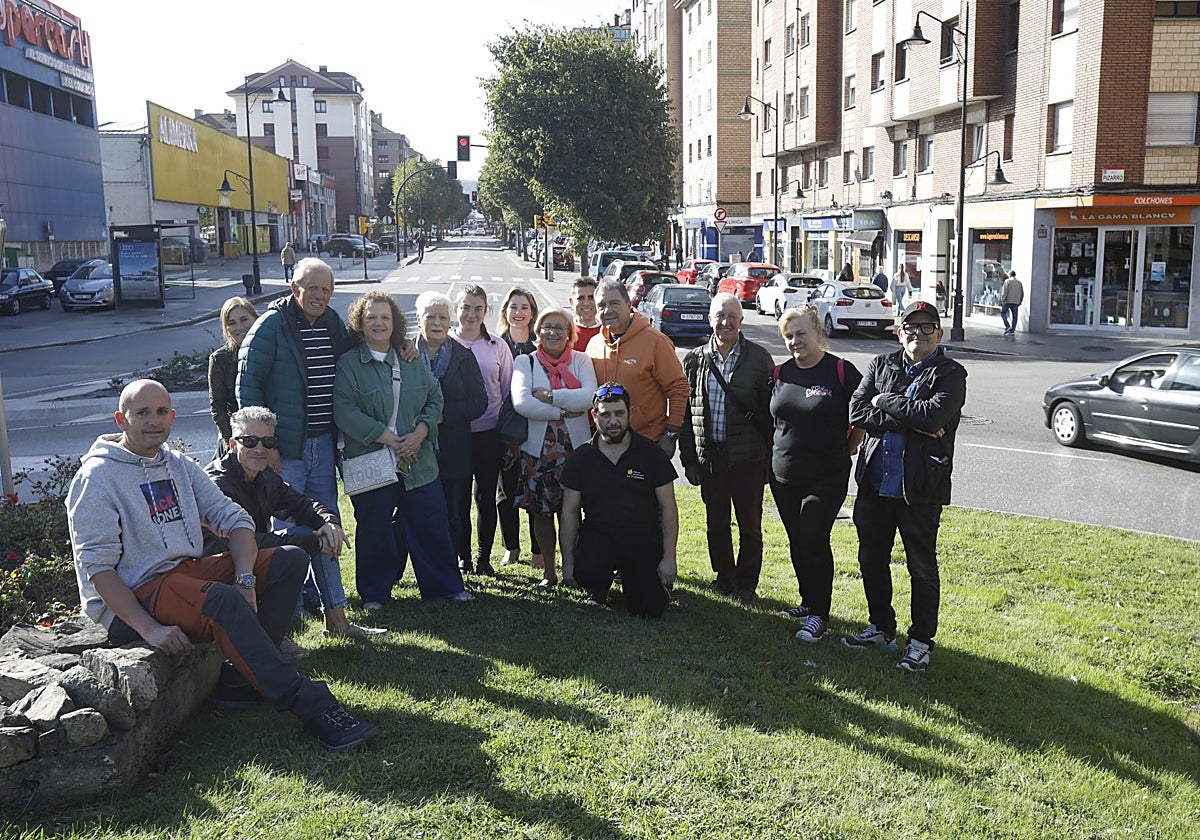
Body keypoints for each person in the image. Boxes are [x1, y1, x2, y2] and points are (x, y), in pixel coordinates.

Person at [66, 380, 377, 751]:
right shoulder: (97, 477)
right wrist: (149, 630)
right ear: (121, 420)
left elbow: (236, 520)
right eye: (142, 413)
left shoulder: (177, 464)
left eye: (161, 412)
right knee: (222, 600)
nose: (154, 421)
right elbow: (98, 570)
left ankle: (241, 683)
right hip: (135, 593)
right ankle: (312, 705)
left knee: (288, 560)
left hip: (182, 574)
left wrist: (245, 579)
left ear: (172, 416)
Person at [237, 258, 362, 637]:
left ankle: (336, 618)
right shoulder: (270, 326)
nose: (319, 296)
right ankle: (285, 625)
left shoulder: (331, 322)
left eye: (326, 290)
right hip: (284, 451)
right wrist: (266, 446)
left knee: (328, 525)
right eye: (312, 288)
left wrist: (401, 343)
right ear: (295, 289)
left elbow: (357, 351)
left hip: (322, 445)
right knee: (286, 535)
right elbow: (247, 386)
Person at [842, 301, 967, 672]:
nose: (918, 333)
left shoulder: (951, 374)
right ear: (900, 333)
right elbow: (857, 411)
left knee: (922, 568)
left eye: (927, 327)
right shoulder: (881, 364)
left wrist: (884, 401)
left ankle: (920, 642)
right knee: (871, 560)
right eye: (911, 327)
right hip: (875, 484)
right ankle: (881, 627)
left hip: (920, 489)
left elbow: (934, 416)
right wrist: (913, 418)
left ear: (939, 334)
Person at [334, 291, 472, 605]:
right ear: (360, 323)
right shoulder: (349, 364)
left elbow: (435, 398)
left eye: (385, 317)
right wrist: (387, 437)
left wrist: (421, 432)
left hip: (418, 461)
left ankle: (445, 587)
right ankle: (375, 593)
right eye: (371, 317)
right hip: (372, 459)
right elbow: (344, 410)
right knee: (375, 528)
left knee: (431, 523)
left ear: (395, 322)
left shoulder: (410, 358)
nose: (379, 323)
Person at [203, 406, 351, 655]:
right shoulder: (218, 483)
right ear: (233, 444)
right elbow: (245, 542)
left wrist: (329, 522)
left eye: (268, 442)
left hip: (248, 557)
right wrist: (312, 541)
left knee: (322, 532)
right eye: (250, 441)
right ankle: (270, 640)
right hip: (218, 564)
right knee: (293, 555)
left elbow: (301, 504)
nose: (260, 449)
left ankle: (337, 620)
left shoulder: (264, 476)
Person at [770, 305, 865, 642]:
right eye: (789, 336)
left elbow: (862, 413)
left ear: (818, 333)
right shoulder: (780, 373)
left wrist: (851, 445)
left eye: (801, 333)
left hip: (826, 476)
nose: (795, 341)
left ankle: (820, 616)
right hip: (783, 475)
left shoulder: (840, 371)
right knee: (798, 540)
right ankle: (808, 601)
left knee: (813, 537)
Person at [679, 293, 774, 603]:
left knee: (750, 525)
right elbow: (685, 413)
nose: (726, 322)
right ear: (710, 319)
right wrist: (690, 460)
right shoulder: (695, 359)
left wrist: (769, 462)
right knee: (716, 523)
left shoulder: (759, 359)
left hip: (749, 458)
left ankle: (747, 584)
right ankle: (724, 577)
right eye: (720, 315)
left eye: (732, 316)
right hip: (711, 458)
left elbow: (771, 415)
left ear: (742, 321)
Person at [559, 383, 678, 617]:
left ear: (630, 414)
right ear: (594, 416)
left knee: (649, 610)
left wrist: (669, 558)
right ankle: (597, 587)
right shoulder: (581, 458)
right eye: (605, 415)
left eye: (619, 413)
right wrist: (568, 563)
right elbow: (569, 512)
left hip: (641, 540)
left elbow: (668, 507)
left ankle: (651, 585)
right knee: (586, 573)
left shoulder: (651, 454)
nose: (613, 421)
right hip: (598, 539)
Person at [511, 307, 597, 587]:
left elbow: (589, 397)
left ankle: (570, 570)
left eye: (560, 327)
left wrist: (550, 396)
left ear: (570, 334)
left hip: (575, 451)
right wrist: (560, 411)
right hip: (538, 453)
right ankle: (549, 572)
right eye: (547, 326)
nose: (553, 332)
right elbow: (522, 402)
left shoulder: (581, 360)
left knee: (572, 512)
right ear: (538, 331)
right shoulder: (525, 362)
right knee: (541, 513)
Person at [414, 291, 487, 573]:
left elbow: (479, 401)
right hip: (414, 449)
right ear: (418, 319)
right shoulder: (405, 354)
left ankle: (454, 564)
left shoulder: (463, 356)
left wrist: (445, 415)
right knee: (417, 512)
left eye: (443, 317)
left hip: (453, 448)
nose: (437, 323)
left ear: (450, 321)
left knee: (454, 512)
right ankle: (417, 567)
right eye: (430, 316)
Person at [586, 279, 689, 457]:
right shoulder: (594, 345)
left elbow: (678, 389)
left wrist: (671, 435)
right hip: (607, 445)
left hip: (648, 442)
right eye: (601, 305)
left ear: (628, 305)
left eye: (614, 303)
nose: (608, 310)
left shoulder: (655, 341)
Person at [452, 284, 514, 575]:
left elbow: (507, 391)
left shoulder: (497, 346)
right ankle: (462, 556)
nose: (471, 314)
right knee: (459, 498)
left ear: (486, 311)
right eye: (465, 307)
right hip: (456, 433)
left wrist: (507, 437)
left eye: (478, 308)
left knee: (485, 497)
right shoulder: (446, 343)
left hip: (489, 433)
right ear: (456, 309)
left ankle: (483, 557)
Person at [497, 287, 543, 569]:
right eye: (513, 307)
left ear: (532, 312)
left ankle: (539, 551)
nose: (518, 312)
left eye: (524, 307)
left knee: (534, 490)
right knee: (506, 492)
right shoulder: (496, 343)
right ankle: (511, 547)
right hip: (504, 430)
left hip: (536, 426)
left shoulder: (541, 346)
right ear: (505, 311)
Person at [208, 296, 258, 459]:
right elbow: (218, 407)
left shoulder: (272, 351)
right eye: (232, 323)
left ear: (256, 319)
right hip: (236, 437)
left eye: (244, 319)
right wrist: (233, 441)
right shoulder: (220, 359)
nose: (239, 327)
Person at [569, 276, 602, 351]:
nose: (586, 303)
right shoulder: (565, 333)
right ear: (571, 302)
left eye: (591, 297)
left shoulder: (607, 333)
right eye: (581, 298)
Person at [1000, 270, 1023, 335]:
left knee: (1003, 313)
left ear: (1010, 275)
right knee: (1015, 316)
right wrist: (1020, 301)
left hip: (1008, 301)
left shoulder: (1007, 281)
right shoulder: (1019, 283)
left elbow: (1005, 292)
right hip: (1016, 302)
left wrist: (1003, 300)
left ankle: (1008, 326)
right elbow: (1022, 293)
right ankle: (1012, 329)